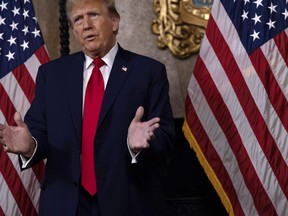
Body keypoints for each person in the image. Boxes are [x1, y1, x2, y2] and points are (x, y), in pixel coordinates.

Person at [0, 0, 175, 215]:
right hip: (65, 204)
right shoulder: (52, 75)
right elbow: (40, 132)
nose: (86, 25)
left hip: (128, 201)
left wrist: (138, 145)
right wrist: (29, 146)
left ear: (114, 22)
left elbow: (166, 137)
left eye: (93, 15)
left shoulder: (148, 72)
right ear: (74, 30)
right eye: (78, 19)